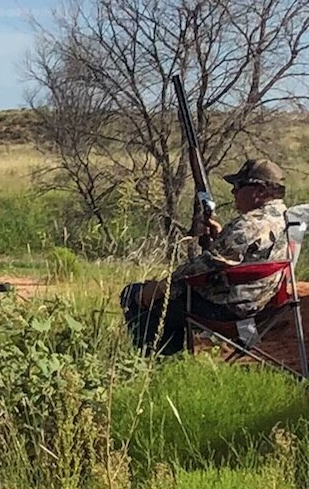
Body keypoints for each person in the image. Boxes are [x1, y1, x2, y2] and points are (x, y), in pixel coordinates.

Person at [120, 153, 293, 357]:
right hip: (261, 303)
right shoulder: (288, 217)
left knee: (134, 294)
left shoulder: (249, 224)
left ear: (261, 191)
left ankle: (154, 362)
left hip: (227, 308)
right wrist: (222, 238)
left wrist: (160, 287)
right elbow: (250, 254)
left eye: (239, 186)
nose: (233, 191)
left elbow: (202, 266)